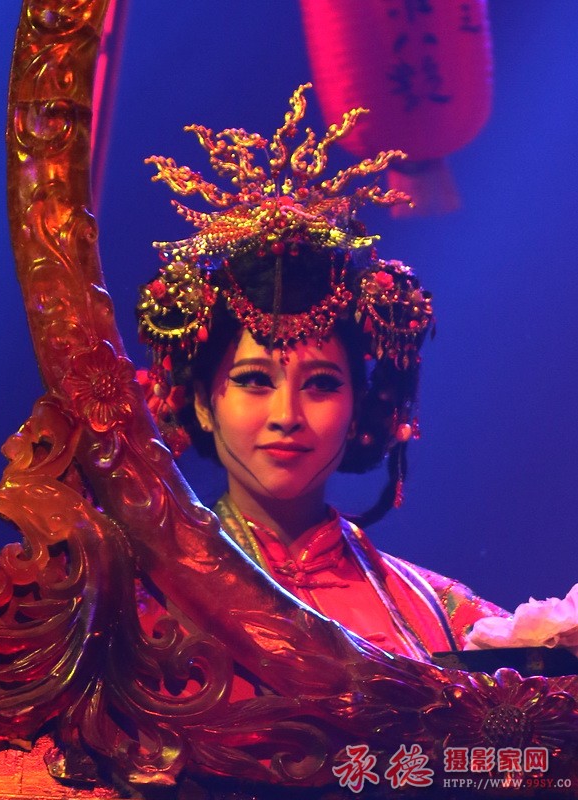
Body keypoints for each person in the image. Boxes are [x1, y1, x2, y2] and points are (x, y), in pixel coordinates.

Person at [136, 84, 507, 663]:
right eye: (254, 380)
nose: (286, 416)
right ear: (203, 403)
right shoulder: (135, 602)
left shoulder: (443, 619)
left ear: (359, 407)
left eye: (322, 385)